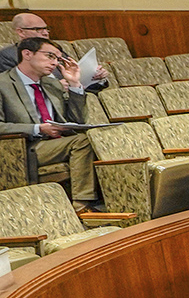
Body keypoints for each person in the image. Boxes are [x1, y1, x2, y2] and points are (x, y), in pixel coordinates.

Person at [0, 37, 97, 204]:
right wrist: (38, 128)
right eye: (50, 56)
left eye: (58, 59)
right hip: (22, 147)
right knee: (82, 141)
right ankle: (82, 205)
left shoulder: (52, 84)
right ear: (27, 54)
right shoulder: (3, 84)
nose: (55, 63)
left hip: (54, 143)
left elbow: (78, 120)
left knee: (99, 138)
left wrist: (74, 83)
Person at [0, 14, 109, 91]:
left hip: (72, 103)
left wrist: (96, 78)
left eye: (46, 29)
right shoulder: (7, 55)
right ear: (21, 32)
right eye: (38, 29)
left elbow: (79, 83)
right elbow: (14, 88)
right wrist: (55, 87)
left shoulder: (56, 51)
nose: (45, 33)